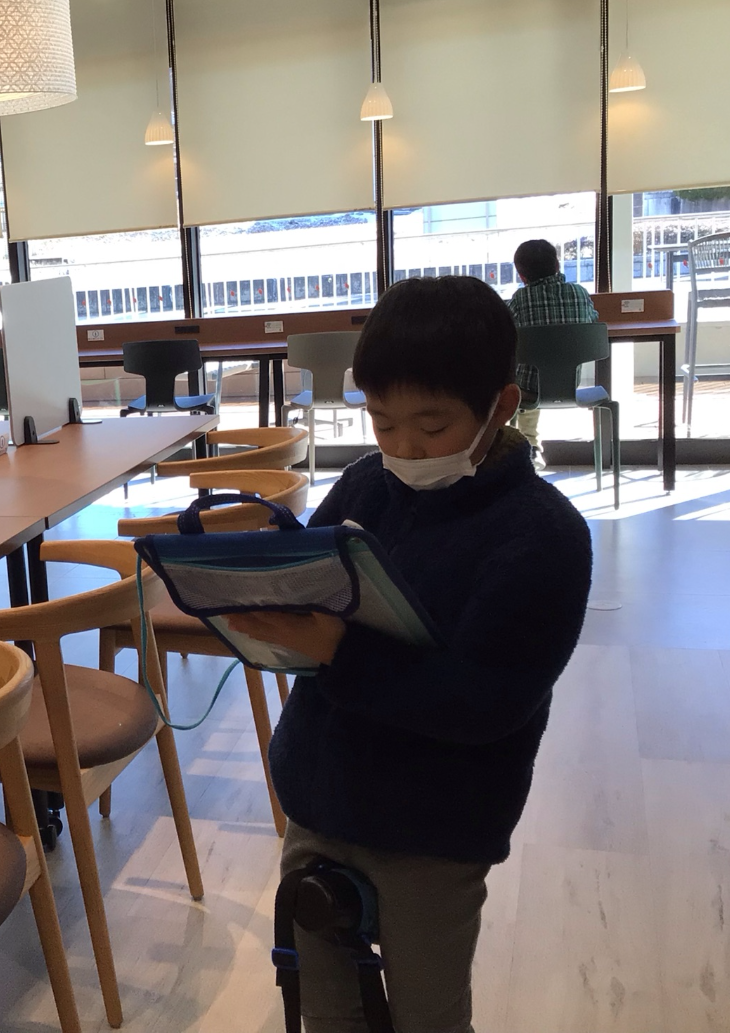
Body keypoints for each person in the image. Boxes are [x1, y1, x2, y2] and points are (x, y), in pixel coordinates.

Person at [231, 276, 592, 1032]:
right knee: (321, 1003)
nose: (403, 447)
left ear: (500, 405)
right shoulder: (368, 483)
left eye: (431, 425)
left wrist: (341, 652)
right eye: (382, 421)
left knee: (429, 1012)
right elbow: (313, 580)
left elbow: (487, 705)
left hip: (434, 824)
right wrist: (264, 586)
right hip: (321, 795)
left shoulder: (542, 536)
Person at [507, 238, 598, 460]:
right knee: (535, 373)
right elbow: (593, 323)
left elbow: (505, 331)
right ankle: (530, 443)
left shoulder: (520, 299)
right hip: (569, 383)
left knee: (517, 377)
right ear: (557, 265)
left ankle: (527, 444)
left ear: (521, 275)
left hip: (527, 388)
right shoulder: (579, 293)